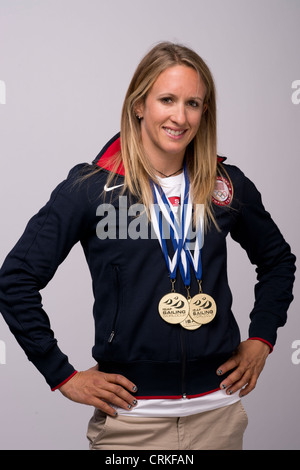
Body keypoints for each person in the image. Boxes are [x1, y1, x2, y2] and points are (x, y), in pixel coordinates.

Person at [0, 42, 296, 451]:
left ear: (204, 112)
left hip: (218, 417)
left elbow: (278, 260)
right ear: (139, 105)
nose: (180, 116)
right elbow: (14, 280)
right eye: (167, 100)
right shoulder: (93, 190)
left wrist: (262, 338)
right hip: (131, 424)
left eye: (193, 103)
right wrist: (62, 375)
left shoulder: (225, 186)